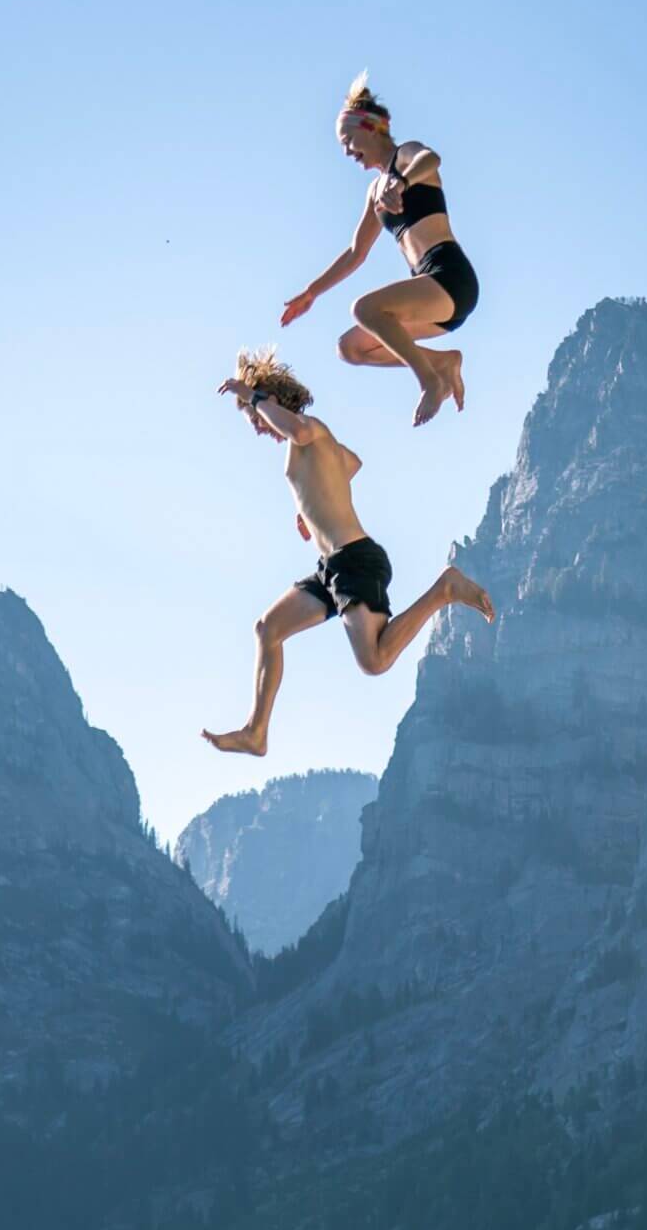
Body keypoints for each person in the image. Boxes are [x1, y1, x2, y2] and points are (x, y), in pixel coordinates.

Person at [203, 349, 494, 756]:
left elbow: (304, 434)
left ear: (270, 403)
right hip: (330, 568)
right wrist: (311, 507)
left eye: (255, 419)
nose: (256, 428)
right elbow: (351, 463)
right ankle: (256, 732)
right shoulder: (311, 445)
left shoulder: (307, 430)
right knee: (267, 630)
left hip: (356, 559)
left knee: (373, 661)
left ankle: (444, 589)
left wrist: (252, 396)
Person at [280, 75, 479, 429]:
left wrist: (401, 181)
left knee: (365, 309)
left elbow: (432, 159)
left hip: (449, 277)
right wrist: (311, 292)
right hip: (432, 299)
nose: (346, 151)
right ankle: (443, 363)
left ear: (370, 128)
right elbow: (356, 252)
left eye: (348, 140)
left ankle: (429, 381)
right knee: (350, 348)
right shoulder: (375, 192)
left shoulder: (406, 157)